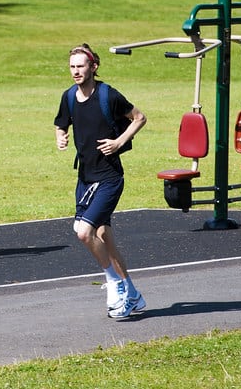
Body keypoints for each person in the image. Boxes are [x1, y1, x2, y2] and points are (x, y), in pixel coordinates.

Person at [54, 44, 147, 319]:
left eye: (80, 66)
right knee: (103, 236)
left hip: (109, 178)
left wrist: (119, 141)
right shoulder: (69, 97)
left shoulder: (109, 95)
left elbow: (139, 118)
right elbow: (61, 123)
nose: (76, 71)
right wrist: (60, 136)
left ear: (93, 67)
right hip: (85, 178)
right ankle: (133, 295)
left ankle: (114, 283)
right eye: (72, 66)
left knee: (84, 232)